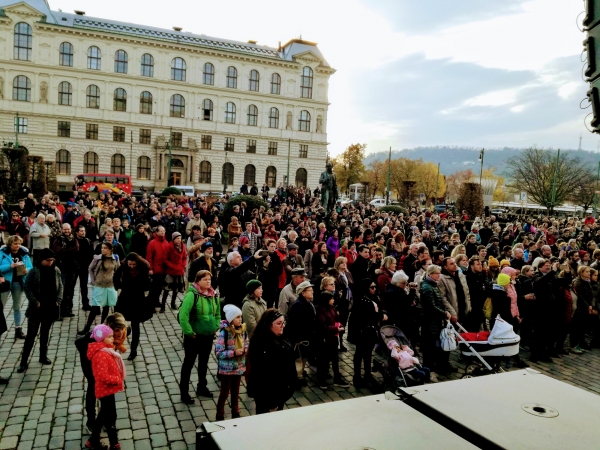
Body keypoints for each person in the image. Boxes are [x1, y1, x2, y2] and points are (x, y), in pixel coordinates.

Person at [75, 314, 127, 433]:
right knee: (93, 385)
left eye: (121, 330)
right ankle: (91, 420)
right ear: (110, 328)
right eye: (116, 331)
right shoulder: (95, 335)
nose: (119, 333)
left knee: (110, 388)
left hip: (105, 357)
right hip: (89, 358)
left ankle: (110, 420)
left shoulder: (124, 330)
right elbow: (78, 342)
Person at [17, 248, 63, 373]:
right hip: (36, 308)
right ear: (41, 259)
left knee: (45, 333)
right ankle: (23, 361)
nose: (50, 263)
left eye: (52, 260)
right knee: (31, 335)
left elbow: (60, 286)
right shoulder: (34, 271)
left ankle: (43, 356)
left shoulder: (56, 270)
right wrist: (35, 302)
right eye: (48, 260)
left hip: (50, 307)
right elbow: (27, 288)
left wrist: (58, 300)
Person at [179, 270, 221, 404]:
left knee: (204, 363)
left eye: (209, 279)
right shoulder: (192, 295)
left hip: (208, 335)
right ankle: (184, 392)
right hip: (194, 337)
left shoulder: (214, 295)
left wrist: (216, 326)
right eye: (205, 280)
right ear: (198, 281)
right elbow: (183, 316)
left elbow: (218, 313)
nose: (208, 282)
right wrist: (190, 332)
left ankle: (201, 387)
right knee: (188, 364)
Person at [246, 309, 297, 414]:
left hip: (282, 391)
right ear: (268, 325)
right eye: (279, 323)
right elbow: (265, 372)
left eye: (283, 322)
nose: (282, 326)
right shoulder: (261, 343)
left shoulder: (282, 337)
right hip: (268, 393)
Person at [86, 324, 126, 450]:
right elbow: (102, 376)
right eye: (109, 337)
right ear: (101, 339)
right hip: (105, 389)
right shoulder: (101, 354)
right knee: (106, 416)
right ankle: (112, 443)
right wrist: (117, 379)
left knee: (105, 415)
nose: (112, 338)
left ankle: (95, 440)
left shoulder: (106, 350)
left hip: (108, 389)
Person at [113, 253, 152, 360]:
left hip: (137, 299)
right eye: (130, 264)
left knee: (136, 325)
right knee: (119, 322)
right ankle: (116, 345)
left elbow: (147, 285)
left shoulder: (143, 269)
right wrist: (119, 286)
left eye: (133, 265)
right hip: (125, 297)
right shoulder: (124, 266)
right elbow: (116, 276)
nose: (132, 266)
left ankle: (133, 349)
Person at [215, 304, 249, 421]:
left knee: (236, 391)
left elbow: (246, 344)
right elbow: (219, 353)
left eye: (241, 317)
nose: (240, 319)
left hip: (238, 367)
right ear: (231, 319)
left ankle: (235, 410)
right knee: (224, 392)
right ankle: (220, 413)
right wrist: (234, 353)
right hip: (227, 369)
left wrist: (245, 350)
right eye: (237, 317)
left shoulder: (242, 331)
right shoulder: (224, 333)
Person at [78, 242, 120, 335]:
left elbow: (118, 270)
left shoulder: (115, 258)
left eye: (105, 248)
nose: (102, 250)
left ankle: (102, 326)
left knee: (107, 306)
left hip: (110, 286)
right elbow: (90, 268)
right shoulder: (97, 258)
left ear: (110, 250)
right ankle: (87, 327)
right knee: (95, 307)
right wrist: (93, 281)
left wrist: (117, 282)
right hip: (99, 285)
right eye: (102, 248)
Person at [347, 278, 383, 387]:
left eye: (375, 287)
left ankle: (367, 374)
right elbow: (365, 316)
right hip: (362, 331)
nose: (374, 289)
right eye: (372, 287)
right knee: (359, 353)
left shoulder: (374, 298)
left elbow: (380, 308)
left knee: (368, 353)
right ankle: (357, 376)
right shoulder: (361, 300)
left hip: (371, 330)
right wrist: (380, 316)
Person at [420, 264, 451, 376]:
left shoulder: (433, 285)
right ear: (430, 274)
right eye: (437, 273)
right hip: (430, 322)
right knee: (430, 347)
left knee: (434, 346)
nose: (439, 275)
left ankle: (434, 367)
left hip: (435, 321)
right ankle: (428, 370)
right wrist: (444, 313)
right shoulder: (428, 287)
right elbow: (431, 307)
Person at [0, 235, 33, 340]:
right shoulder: (2, 253)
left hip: (18, 282)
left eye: (19, 243)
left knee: (17, 306)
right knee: (1, 307)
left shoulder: (24, 253)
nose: (17, 246)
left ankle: (18, 329)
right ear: (10, 244)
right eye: (15, 244)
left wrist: (26, 270)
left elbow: (30, 266)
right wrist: (10, 266)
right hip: (4, 283)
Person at [315, 290, 349, 389]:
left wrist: (340, 326)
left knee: (335, 360)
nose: (333, 300)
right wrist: (336, 329)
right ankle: (322, 380)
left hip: (333, 338)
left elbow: (337, 320)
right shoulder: (320, 311)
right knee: (323, 361)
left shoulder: (332, 309)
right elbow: (322, 326)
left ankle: (337, 378)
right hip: (325, 340)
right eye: (331, 298)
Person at [285, 280, 317, 384]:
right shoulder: (298, 305)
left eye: (312, 290)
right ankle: (297, 378)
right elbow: (294, 324)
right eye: (310, 290)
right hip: (299, 338)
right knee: (298, 358)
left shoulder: (308, 303)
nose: (312, 292)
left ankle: (300, 373)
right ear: (303, 293)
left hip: (307, 336)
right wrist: (297, 339)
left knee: (304, 357)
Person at [52, 223, 79, 319]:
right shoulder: (57, 240)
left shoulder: (74, 239)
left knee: (69, 290)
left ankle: (67, 310)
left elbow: (76, 250)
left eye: (68, 229)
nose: (67, 231)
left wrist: (66, 250)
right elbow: (58, 253)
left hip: (72, 268)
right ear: (62, 229)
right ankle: (58, 312)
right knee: (60, 291)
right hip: (62, 269)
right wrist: (69, 251)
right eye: (65, 229)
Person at [162, 231, 187, 312]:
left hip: (179, 271)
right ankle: (163, 305)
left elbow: (184, 257)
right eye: (177, 238)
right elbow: (165, 259)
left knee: (176, 290)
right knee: (167, 289)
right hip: (171, 271)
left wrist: (182, 265)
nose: (179, 240)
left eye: (180, 238)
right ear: (173, 239)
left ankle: (173, 303)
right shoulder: (169, 247)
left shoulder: (183, 247)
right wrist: (172, 266)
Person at [146, 225, 170, 308]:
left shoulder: (166, 243)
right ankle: (150, 303)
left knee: (160, 288)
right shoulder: (152, 243)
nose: (163, 232)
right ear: (157, 232)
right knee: (153, 288)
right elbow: (149, 257)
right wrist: (150, 269)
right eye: (161, 231)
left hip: (163, 269)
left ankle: (156, 301)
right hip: (155, 269)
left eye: (164, 231)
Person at [75, 225, 94, 311]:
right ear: (77, 232)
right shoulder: (74, 241)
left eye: (84, 231)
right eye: (81, 231)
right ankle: (67, 306)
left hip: (84, 267)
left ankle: (85, 304)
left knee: (84, 286)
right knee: (70, 287)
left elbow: (91, 254)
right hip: (74, 267)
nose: (83, 232)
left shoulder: (88, 241)